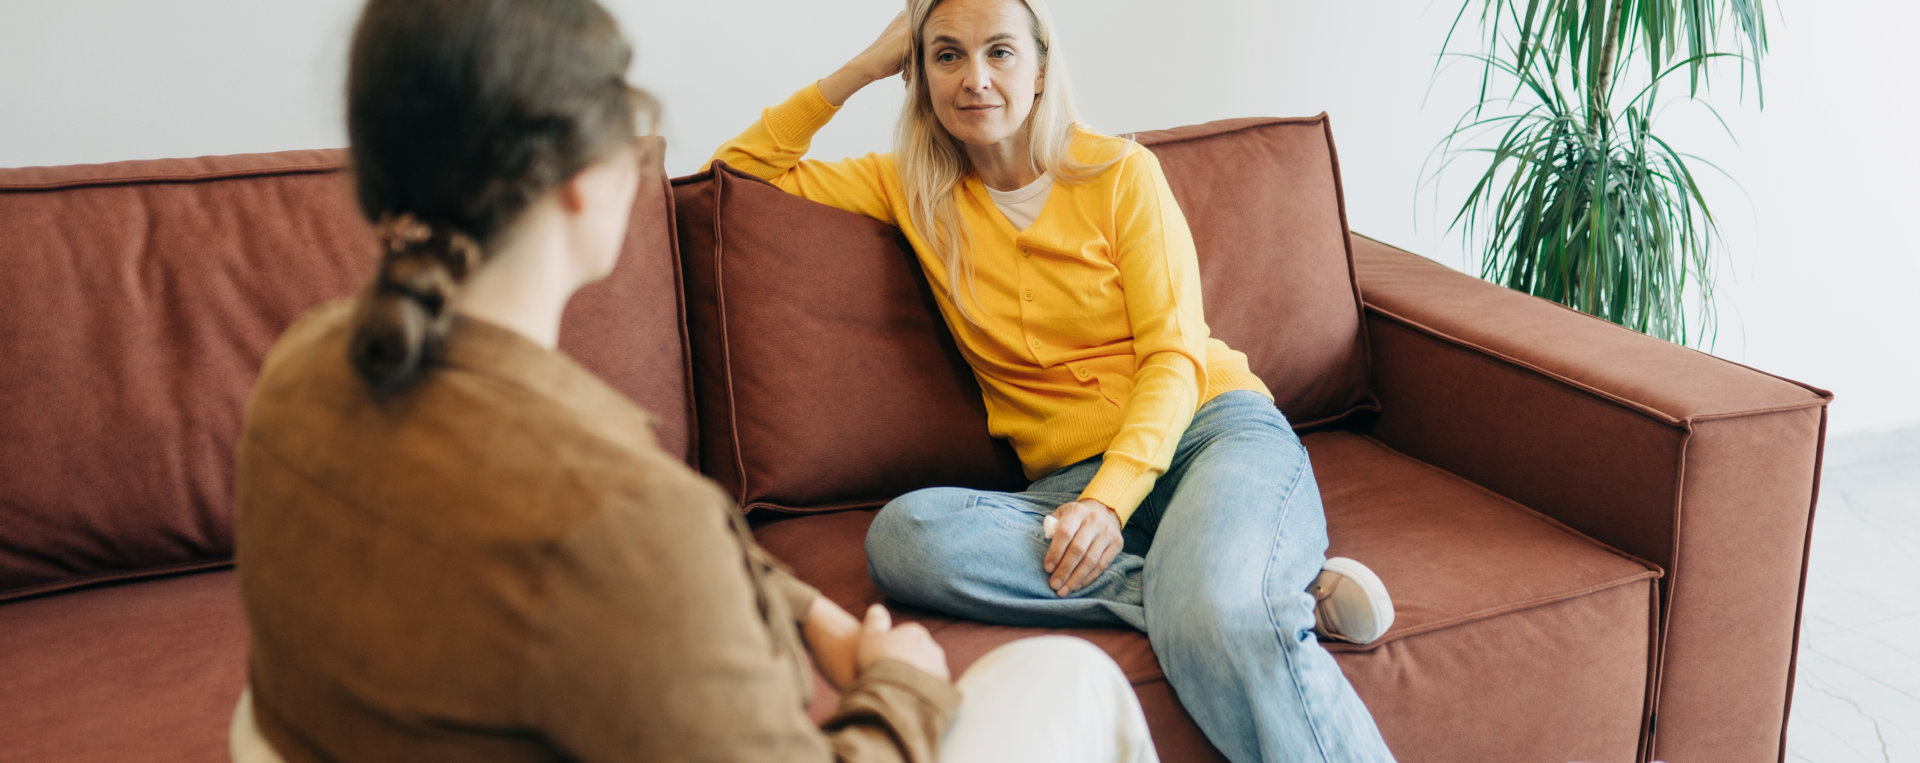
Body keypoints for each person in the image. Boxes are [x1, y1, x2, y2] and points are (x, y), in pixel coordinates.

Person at [228, 1, 1156, 761]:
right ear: (586, 179)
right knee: (1071, 678)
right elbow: (642, 545)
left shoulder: (302, 368)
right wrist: (898, 683)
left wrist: (805, 611)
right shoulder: (621, 513)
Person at [707, 0, 1399, 760]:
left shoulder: (1121, 174)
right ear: (922, 75)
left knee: (1217, 615)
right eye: (946, 56)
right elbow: (737, 173)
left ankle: (1227, 596)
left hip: (1208, 432)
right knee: (907, 539)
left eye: (1000, 52)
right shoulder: (909, 189)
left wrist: (1109, 501)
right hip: (1066, 486)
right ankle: (1255, 590)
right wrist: (864, 67)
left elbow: (1174, 354)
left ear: (1040, 67)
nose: (975, 79)